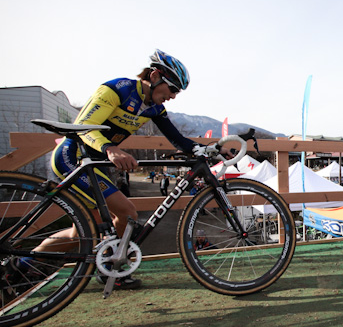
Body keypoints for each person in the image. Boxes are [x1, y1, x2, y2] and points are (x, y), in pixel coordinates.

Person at [37, 49, 231, 290]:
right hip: (72, 158)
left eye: (177, 92)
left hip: (94, 164)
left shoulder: (154, 107)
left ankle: (24, 263)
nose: (173, 96)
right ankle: (112, 271)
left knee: (80, 233)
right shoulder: (116, 90)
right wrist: (110, 149)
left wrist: (210, 149)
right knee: (127, 212)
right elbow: (82, 127)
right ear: (155, 75)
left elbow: (177, 139)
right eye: (172, 89)